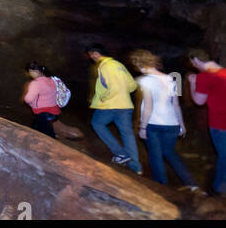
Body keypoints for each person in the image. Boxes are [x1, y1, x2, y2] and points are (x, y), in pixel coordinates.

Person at [130, 50, 197, 190]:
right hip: (172, 124)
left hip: (153, 124)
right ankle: (192, 184)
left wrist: (143, 127)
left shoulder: (146, 81)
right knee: (170, 153)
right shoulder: (170, 78)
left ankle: (161, 188)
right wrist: (181, 125)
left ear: (141, 64)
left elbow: (148, 105)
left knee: (155, 156)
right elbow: (176, 104)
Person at [87, 43, 141, 174]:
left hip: (110, 105)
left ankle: (120, 153)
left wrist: (104, 97)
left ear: (95, 53)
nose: (90, 57)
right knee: (127, 133)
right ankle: (136, 167)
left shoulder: (104, 66)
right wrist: (122, 92)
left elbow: (112, 87)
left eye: (90, 54)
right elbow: (133, 85)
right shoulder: (119, 65)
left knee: (97, 123)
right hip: (125, 104)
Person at [188, 48, 226, 195]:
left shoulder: (204, 77)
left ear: (195, 60)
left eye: (193, 63)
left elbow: (198, 101)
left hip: (219, 124)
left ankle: (218, 190)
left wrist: (192, 83)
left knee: (224, 156)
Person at [23, 62, 61, 137]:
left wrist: (25, 98)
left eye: (30, 72)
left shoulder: (36, 83)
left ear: (36, 72)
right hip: (54, 110)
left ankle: (51, 143)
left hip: (42, 112)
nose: (30, 74)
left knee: (47, 134)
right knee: (35, 126)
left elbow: (28, 99)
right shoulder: (51, 80)